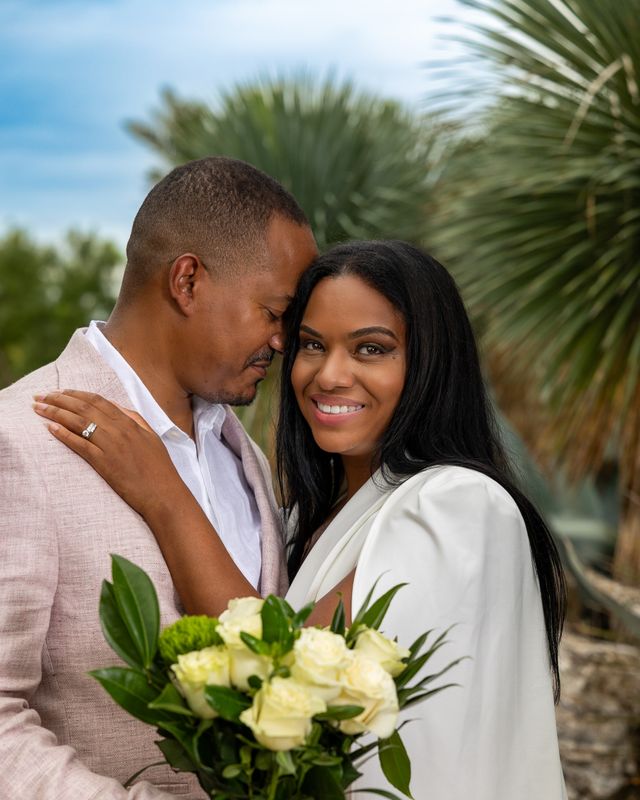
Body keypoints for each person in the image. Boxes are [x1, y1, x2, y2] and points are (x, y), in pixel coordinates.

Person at [35, 241, 568, 799]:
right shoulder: (295, 522)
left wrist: (165, 494)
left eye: (370, 349)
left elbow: (281, 682)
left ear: (431, 364)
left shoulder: (461, 503)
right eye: (312, 345)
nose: (329, 375)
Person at [0, 156, 318, 799]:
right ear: (188, 281)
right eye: (274, 311)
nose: (284, 341)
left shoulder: (247, 459)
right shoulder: (18, 441)